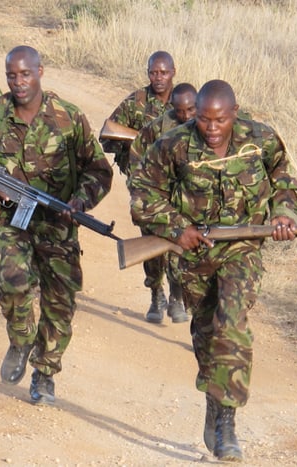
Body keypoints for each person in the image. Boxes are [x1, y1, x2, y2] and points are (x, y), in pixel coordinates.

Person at [128, 79, 297, 462]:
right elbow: (143, 194)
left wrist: (284, 216)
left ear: (234, 113)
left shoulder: (260, 139)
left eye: (220, 121)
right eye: (204, 120)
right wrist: (178, 228)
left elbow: (286, 182)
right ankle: (214, 396)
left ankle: (227, 423)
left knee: (232, 320)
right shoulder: (172, 145)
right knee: (207, 333)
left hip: (242, 250)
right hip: (194, 256)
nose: (211, 129)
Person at [0, 45, 113, 405]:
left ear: (40, 72)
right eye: (11, 75)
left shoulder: (68, 118)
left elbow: (99, 170)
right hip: (13, 222)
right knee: (13, 281)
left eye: (24, 74)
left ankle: (44, 374)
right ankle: (20, 337)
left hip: (58, 226)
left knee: (59, 304)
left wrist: (80, 200)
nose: (18, 82)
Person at [98, 50, 175, 321]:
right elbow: (107, 134)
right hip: (147, 186)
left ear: (173, 73)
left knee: (180, 236)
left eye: (163, 72)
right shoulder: (137, 102)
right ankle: (156, 291)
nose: (158, 78)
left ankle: (177, 292)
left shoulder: (186, 101)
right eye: (153, 72)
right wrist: (134, 151)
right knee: (152, 236)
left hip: (180, 185)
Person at [128, 82, 197, 325]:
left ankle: (177, 296)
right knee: (154, 252)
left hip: (187, 205)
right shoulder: (157, 128)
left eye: (191, 110)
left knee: (182, 249)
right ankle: (156, 293)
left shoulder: (205, 131)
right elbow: (136, 156)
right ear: (172, 107)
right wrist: (141, 194)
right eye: (180, 111)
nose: (186, 116)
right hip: (156, 202)